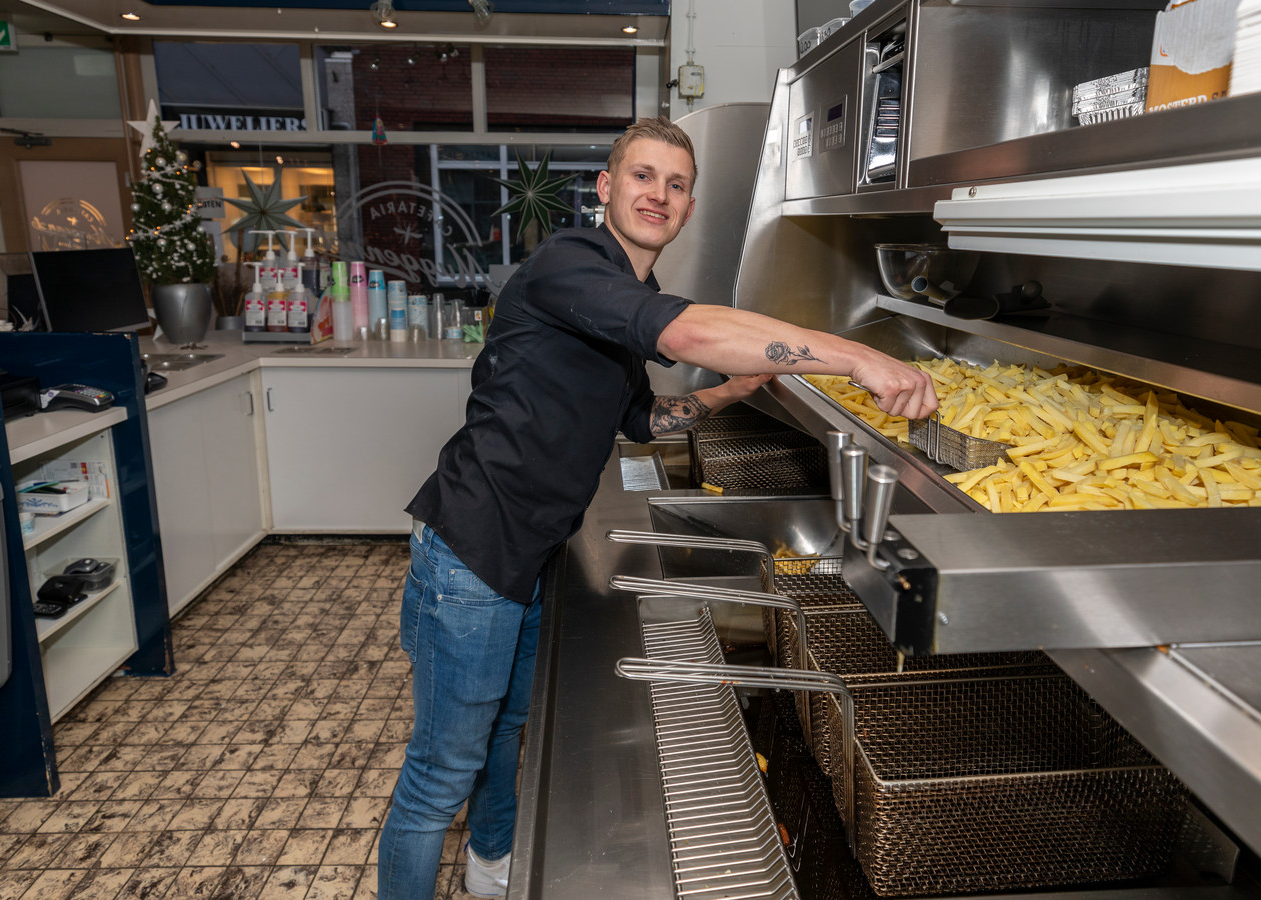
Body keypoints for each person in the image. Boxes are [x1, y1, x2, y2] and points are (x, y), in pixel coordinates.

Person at [377, 116, 937, 900]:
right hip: (472, 551)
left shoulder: (624, 293)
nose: (658, 195)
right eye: (643, 176)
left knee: (504, 727)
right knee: (440, 773)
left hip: (527, 551)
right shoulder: (572, 263)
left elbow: (642, 418)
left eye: (676, 185)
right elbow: (688, 329)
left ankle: (491, 864)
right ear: (607, 187)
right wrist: (856, 357)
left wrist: (730, 393)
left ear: (689, 207)